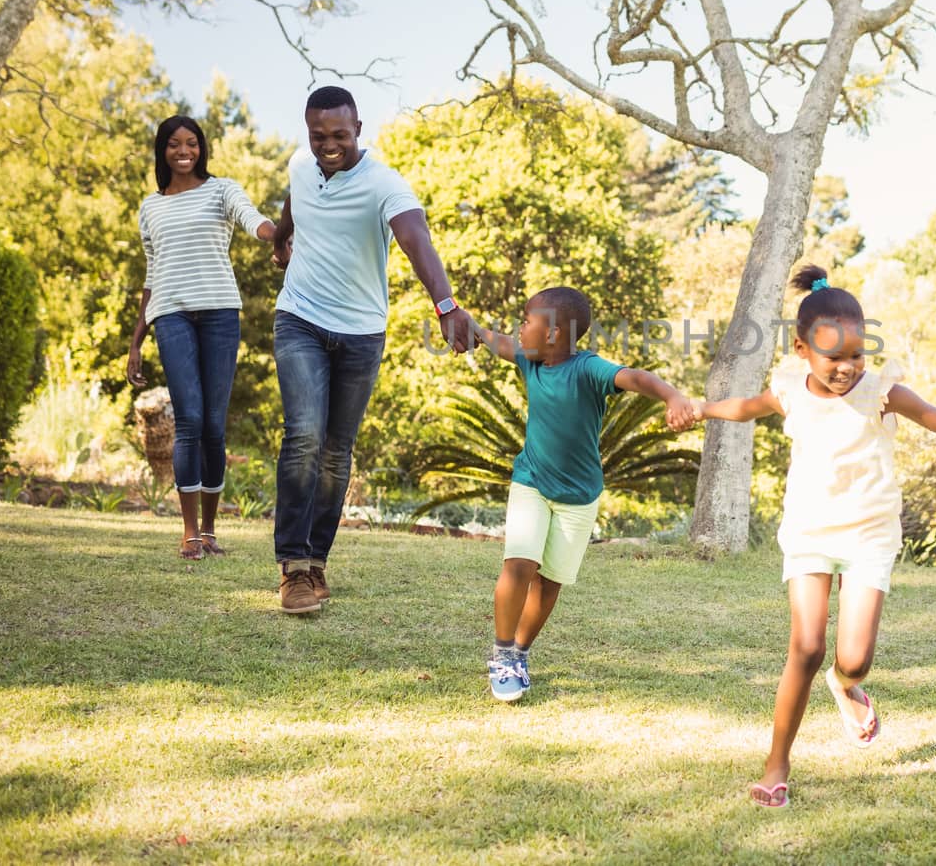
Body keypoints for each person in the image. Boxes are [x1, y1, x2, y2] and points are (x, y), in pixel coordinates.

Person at [695, 264, 936, 808]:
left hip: (869, 536)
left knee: (854, 659)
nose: (847, 368)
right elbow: (743, 408)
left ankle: (846, 684)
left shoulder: (882, 392)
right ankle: (777, 765)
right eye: (834, 358)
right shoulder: (789, 391)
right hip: (808, 532)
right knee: (804, 649)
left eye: (857, 355)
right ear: (803, 350)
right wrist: (700, 409)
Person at [269, 85, 476, 614]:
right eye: (319, 136)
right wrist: (281, 238)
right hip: (299, 318)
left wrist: (446, 305)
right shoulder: (301, 162)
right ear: (308, 132)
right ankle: (292, 568)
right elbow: (295, 198)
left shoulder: (384, 182)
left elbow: (415, 238)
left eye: (340, 134)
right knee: (304, 435)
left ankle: (317, 561)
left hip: (361, 331)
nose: (329, 145)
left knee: (337, 450)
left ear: (358, 129)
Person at [472, 287, 697, 701]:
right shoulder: (530, 363)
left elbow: (635, 377)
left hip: (578, 495)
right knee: (519, 563)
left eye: (528, 321)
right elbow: (500, 343)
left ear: (555, 333)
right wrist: (471, 327)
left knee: (550, 582)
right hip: (531, 483)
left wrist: (673, 395)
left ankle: (520, 652)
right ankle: (502, 655)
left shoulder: (588, 369)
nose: (520, 328)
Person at [126, 115, 277, 559]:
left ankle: (210, 529)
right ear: (163, 150)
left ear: (202, 148)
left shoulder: (221, 189)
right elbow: (151, 276)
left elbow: (252, 219)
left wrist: (277, 235)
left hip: (219, 314)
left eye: (191, 143)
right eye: (174, 144)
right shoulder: (149, 207)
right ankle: (189, 531)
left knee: (213, 424)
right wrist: (136, 341)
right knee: (189, 419)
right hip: (170, 315)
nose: (183, 151)